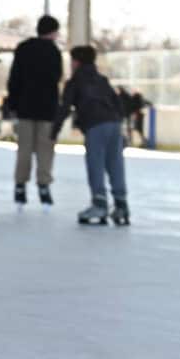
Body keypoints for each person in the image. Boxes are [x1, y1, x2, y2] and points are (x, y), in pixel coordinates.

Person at [51, 46, 129, 225]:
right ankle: (121, 204)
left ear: (76, 62)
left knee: (96, 163)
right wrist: (118, 123)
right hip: (114, 124)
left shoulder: (75, 81)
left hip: (95, 125)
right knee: (115, 162)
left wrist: (54, 130)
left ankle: (99, 204)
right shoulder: (102, 80)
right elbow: (118, 103)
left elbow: (64, 107)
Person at [5, 14, 62, 207]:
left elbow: (14, 78)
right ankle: (43, 185)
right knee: (45, 150)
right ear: (53, 32)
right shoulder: (54, 52)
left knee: (25, 149)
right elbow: (57, 78)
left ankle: (20, 185)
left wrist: (13, 104)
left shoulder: (23, 49)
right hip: (46, 110)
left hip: (25, 107)